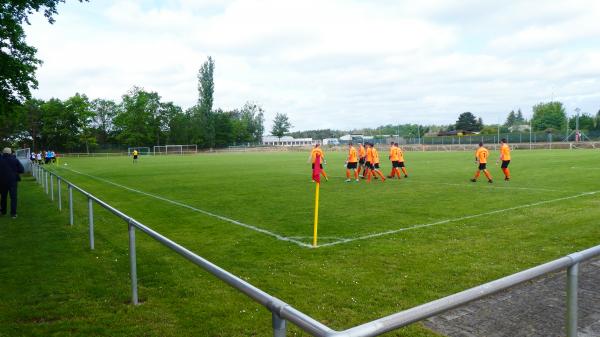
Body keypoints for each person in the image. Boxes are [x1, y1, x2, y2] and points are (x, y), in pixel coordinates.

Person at [0, 148, 25, 218]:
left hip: (2, 181)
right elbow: (22, 170)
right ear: (10, 153)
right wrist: (15, 172)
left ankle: (3, 211)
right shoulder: (15, 159)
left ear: (3, 153)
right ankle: (13, 213)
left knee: (3, 197)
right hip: (12, 181)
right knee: (13, 198)